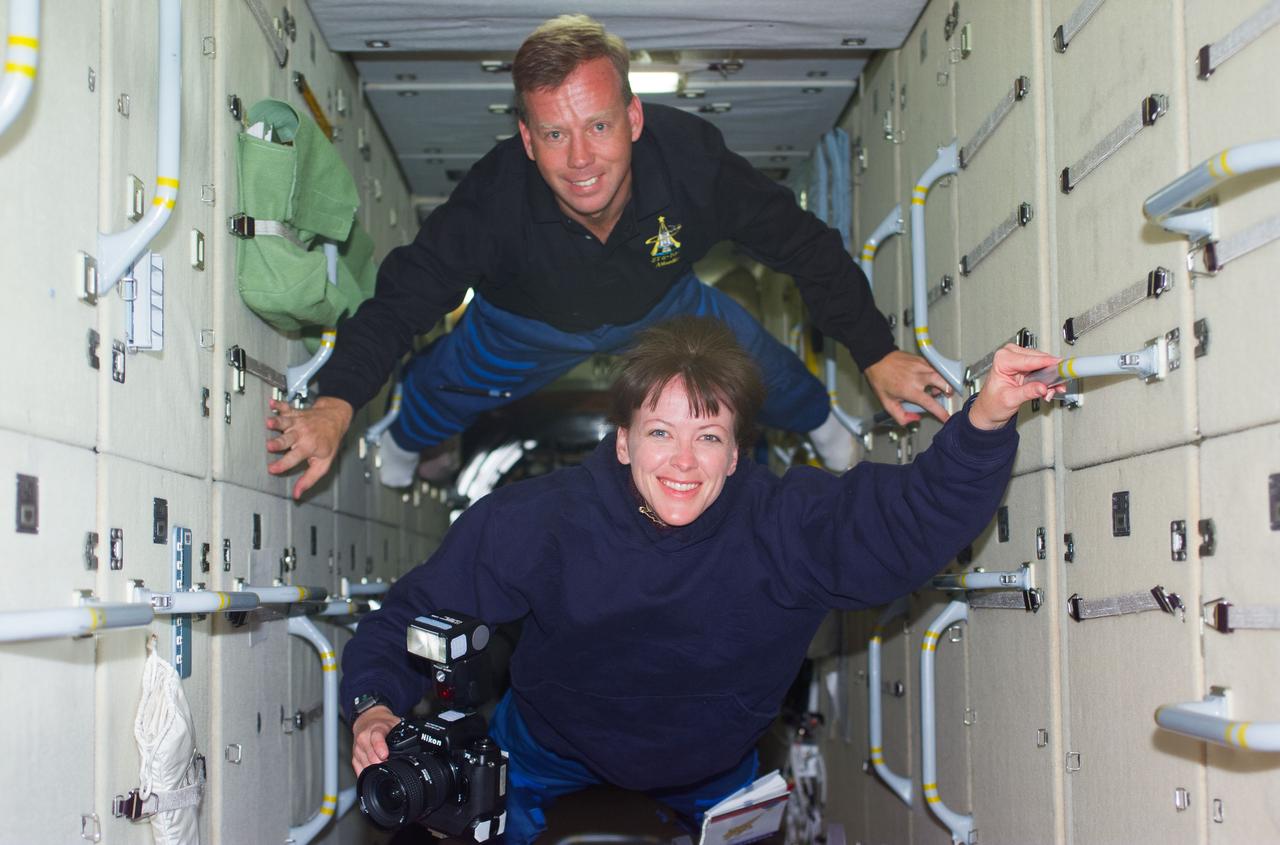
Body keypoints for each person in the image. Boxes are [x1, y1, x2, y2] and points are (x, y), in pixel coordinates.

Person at [341, 315, 1063, 842]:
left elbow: (910, 520)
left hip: (712, 762)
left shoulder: (784, 522)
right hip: (547, 742)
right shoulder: (539, 520)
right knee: (437, 825)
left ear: (735, 453)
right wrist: (375, 704)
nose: (683, 461)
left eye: (708, 436)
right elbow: (416, 611)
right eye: (661, 432)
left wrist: (988, 416)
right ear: (622, 441)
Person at [265, 14, 951, 499]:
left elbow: (803, 245)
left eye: (598, 125)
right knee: (448, 381)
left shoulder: (691, 164)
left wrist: (875, 352)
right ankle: (406, 441)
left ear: (634, 118)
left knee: (750, 359)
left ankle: (819, 420)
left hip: (663, 305)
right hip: (522, 325)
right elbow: (401, 301)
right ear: (528, 141)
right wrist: (336, 403)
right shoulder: (493, 201)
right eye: (555, 134)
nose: (581, 158)